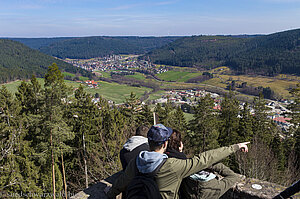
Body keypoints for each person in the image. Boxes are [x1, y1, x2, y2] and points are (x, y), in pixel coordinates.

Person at [107, 124, 250, 199]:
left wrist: (109, 194)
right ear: (164, 144)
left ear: (148, 142)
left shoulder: (137, 161)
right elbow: (206, 158)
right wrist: (235, 147)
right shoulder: (173, 166)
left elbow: (121, 183)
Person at [166, 129, 240, 199]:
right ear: (180, 145)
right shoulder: (216, 187)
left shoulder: (168, 161)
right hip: (210, 189)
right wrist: (211, 164)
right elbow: (233, 176)